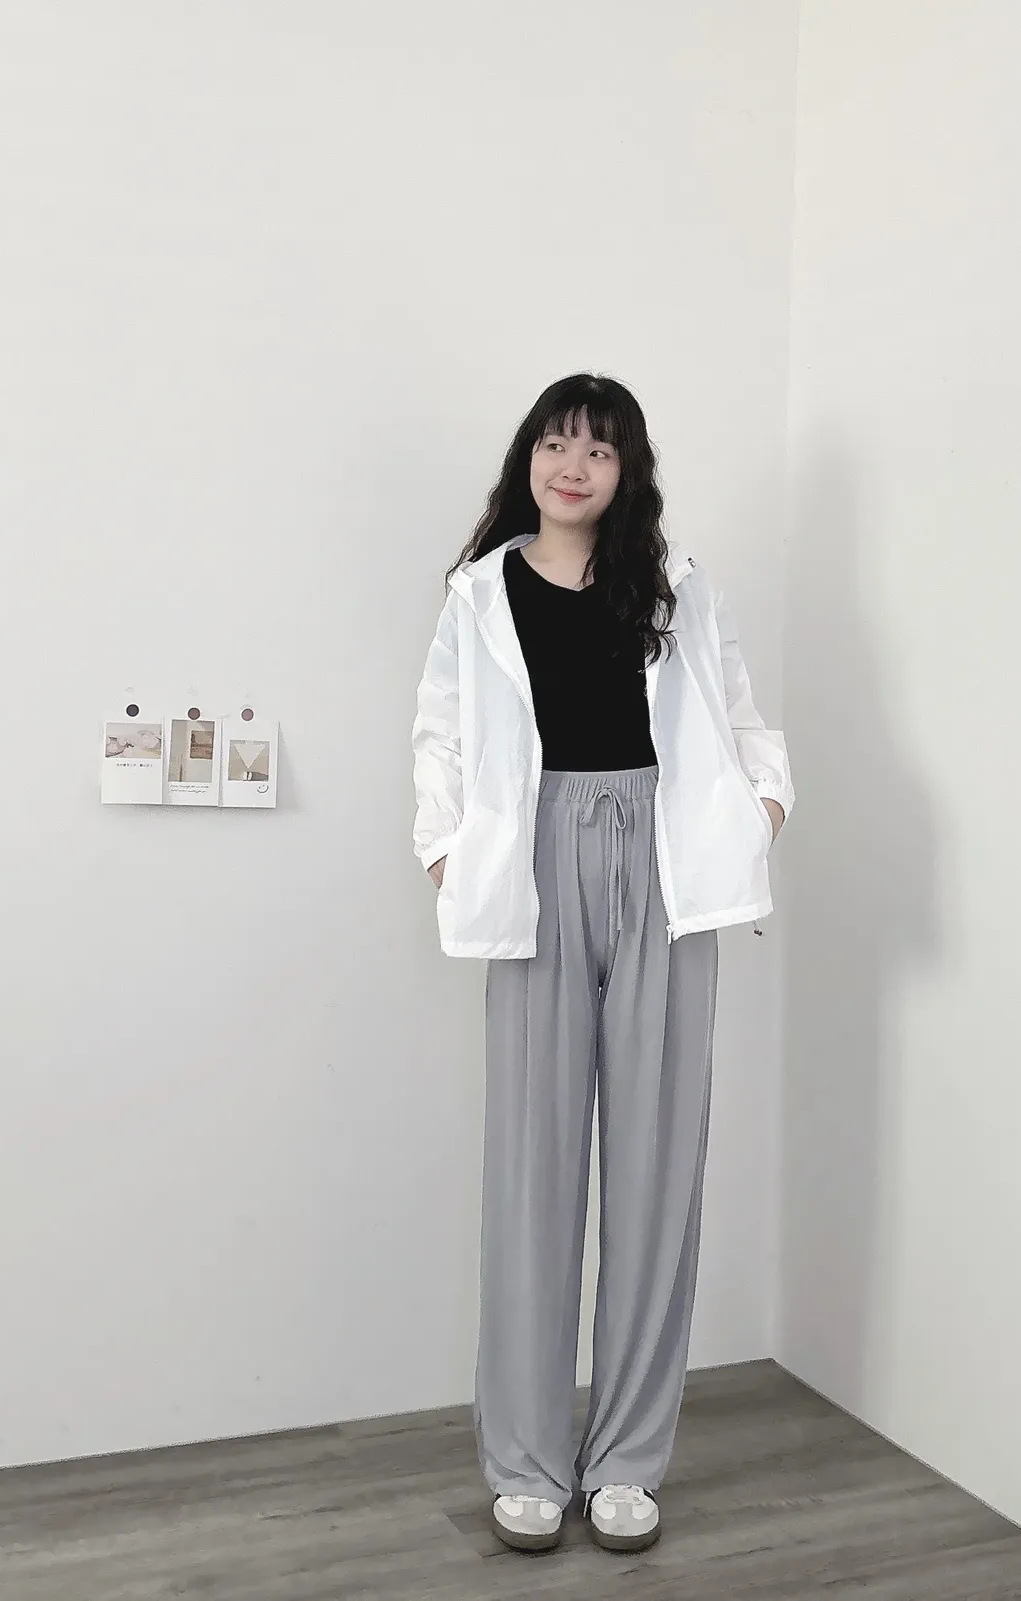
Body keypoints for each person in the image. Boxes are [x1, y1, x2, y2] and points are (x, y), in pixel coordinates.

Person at [411, 373, 793, 1554]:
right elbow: (440, 736)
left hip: (666, 871)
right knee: (532, 1166)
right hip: (534, 864)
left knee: (656, 1166)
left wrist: (762, 810)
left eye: (599, 448)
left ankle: (627, 1458)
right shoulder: (480, 593)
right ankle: (526, 1459)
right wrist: (445, 853)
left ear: (628, 472)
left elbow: (739, 716)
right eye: (555, 441)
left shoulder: (674, 584)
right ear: (528, 456)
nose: (572, 464)